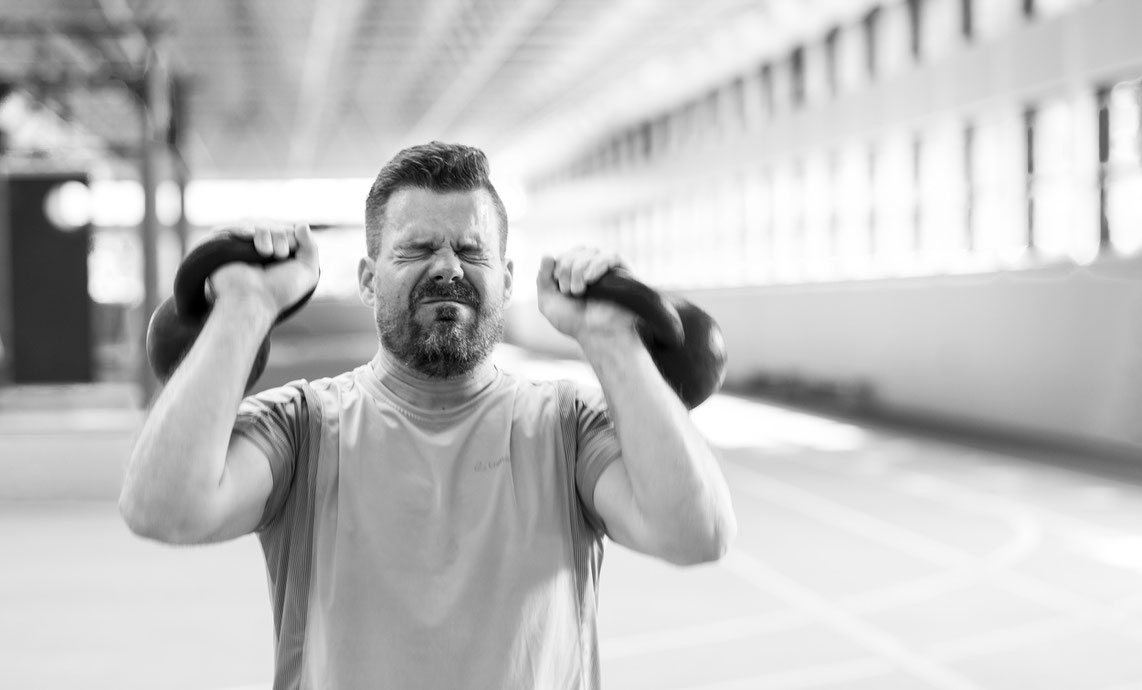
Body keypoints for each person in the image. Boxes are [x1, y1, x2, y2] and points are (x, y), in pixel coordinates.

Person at [119, 142, 737, 689]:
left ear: (506, 278)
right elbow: (162, 508)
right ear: (367, 279)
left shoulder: (566, 427)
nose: (447, 266)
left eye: (471, 249)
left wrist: (611, 339)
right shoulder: (302, 426)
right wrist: (246, 306)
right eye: (416, 249)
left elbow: (696, 533)